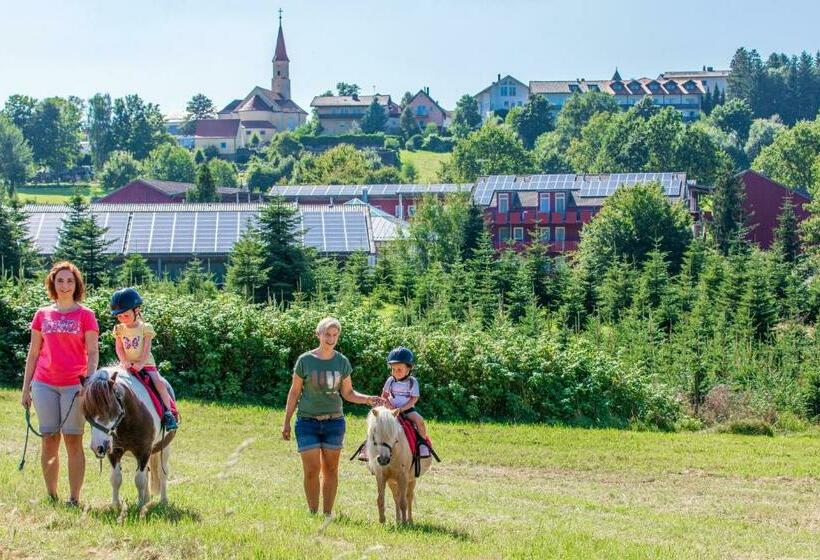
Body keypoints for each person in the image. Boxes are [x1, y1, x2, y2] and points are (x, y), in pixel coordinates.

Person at [282, 316, 382, 517]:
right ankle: (312, 512)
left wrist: (368, 399)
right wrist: (286, 422)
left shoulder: (341, 361)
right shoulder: (305, 360)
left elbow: (348, 393)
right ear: (318, 334)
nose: (331, 338)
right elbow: (294, 392)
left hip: (334, 423)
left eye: (335, 335)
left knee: (330, 469)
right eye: (327, 334)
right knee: (311, 470)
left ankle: (327, 513)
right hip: (307, 422)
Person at [20, 261, 99, 506]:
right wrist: (26, 388)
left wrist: (88, 383)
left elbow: (93, 352)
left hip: (75, 387)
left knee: (73, 440)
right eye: (60, 280)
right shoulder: (42, 314)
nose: (65, 285)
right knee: (49, 439)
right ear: (53, 284)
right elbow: (33, 354)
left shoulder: (86, 315)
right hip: (44, 384)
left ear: (77, 285)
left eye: (70, 281)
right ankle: (51, 495)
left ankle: (74, 499)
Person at [110, 287, 178, 431]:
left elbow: (146, 349)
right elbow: (119, 348)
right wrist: (123, 361)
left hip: (146, 364)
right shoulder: (119, 329)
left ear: (137, 310)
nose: (122, 319)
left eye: (125, 315)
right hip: (126, 364)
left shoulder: (145, 328)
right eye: (119, 316)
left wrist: (141, 363)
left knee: (159, 383)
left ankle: (169, 412)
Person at [358, 346, 431, 460]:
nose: (396, 372)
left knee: (420, 421)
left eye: (399, 369)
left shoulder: (412, 382)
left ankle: (422, 445)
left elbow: (414, 399)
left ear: (408, 369)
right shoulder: (390, 380)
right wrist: (388, 406)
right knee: (374, 421)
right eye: (393, 369)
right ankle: (367, 447)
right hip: (389, 409)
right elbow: (384, 395)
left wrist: (402, 409)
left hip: (407, 409)